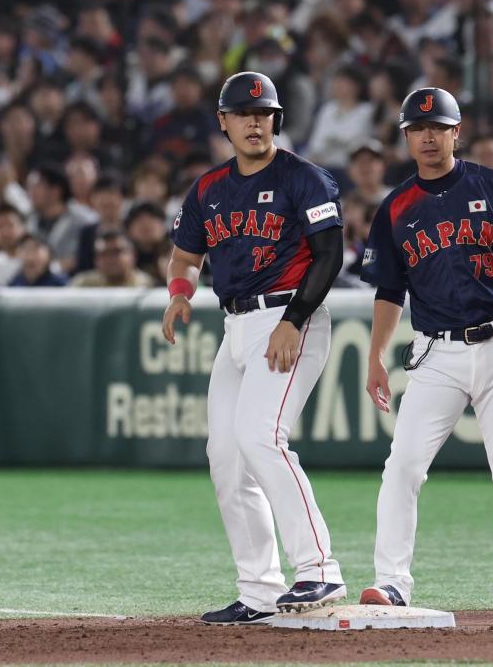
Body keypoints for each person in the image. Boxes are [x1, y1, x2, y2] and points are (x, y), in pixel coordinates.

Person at [360, 87, 493, 627]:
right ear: (405, 136)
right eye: (417, 128)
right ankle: (392, 582)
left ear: (455, 131)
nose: (426, 136)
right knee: (402, 466)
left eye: (436, 127)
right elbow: (387, 292)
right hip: (436, 352)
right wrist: (376, 356)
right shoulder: (396, 207)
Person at [163, 72, 347, 625]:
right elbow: (185, 255)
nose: (253, 121)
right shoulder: (208, 188)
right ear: (223, 121)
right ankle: (259, 589)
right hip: (236, 326)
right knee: (225, 455)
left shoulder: (303, 178)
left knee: (261, 436)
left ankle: (319, 569)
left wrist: (294, 320)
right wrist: (178, 295)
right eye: (242, 114)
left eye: (262, 113)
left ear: (276, 119)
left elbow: (330, 254)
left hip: (292, 315)